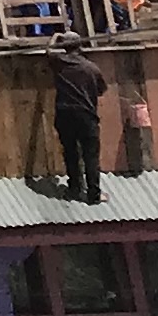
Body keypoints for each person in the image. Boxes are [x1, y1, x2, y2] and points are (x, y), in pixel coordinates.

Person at [51, 38, 108, 204]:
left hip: (64, 114)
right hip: (86, 115)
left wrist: (56, 37)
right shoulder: (91, 68)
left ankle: (74, 189)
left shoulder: (59, 63)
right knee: (90, 155)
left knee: (70, 153)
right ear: (80, 47)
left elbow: (49, 50)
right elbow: (101, 90)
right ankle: (93, 193)